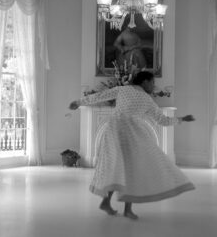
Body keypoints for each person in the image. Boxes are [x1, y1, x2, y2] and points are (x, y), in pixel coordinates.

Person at [69, 71, 195, 220]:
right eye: (152, 82)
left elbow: (161, 119)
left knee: (118, 167)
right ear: (144, 81)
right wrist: (181, 119)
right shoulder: (138, 95)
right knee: (131, 169)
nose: (154, 86)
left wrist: (78, 102)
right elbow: (162, 120)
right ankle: (126, 209)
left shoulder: (132, 93)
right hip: (129, 134)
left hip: (115, 131)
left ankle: (107, 202)